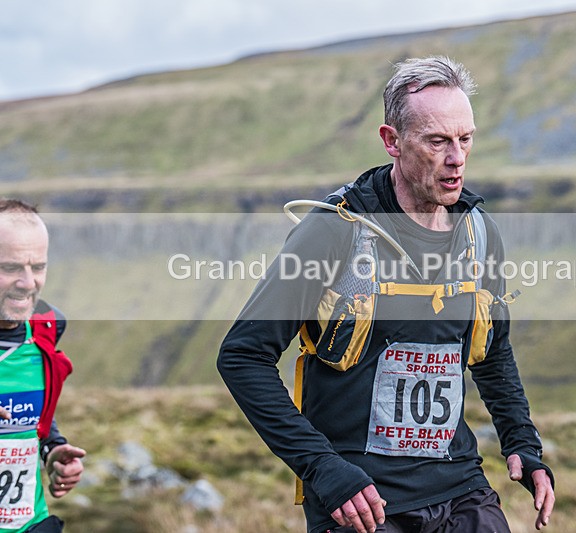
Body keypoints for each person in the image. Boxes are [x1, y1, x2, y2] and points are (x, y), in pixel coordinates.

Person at [218, 56, 555, 533]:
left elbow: (492, 350)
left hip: (459, 487)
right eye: (437, 141)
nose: (456, 158)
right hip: (361, 502)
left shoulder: (478, 231)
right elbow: (242, 356)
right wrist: (323, 469)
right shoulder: (335, 231)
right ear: (392, 141)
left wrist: (523, 442)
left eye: (465, 138)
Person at [0, 199, 85, 533]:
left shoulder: (47, 331)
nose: (27, 282)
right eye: (9, 268)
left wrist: (52, 449)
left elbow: (33, 419)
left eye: (37, 267)